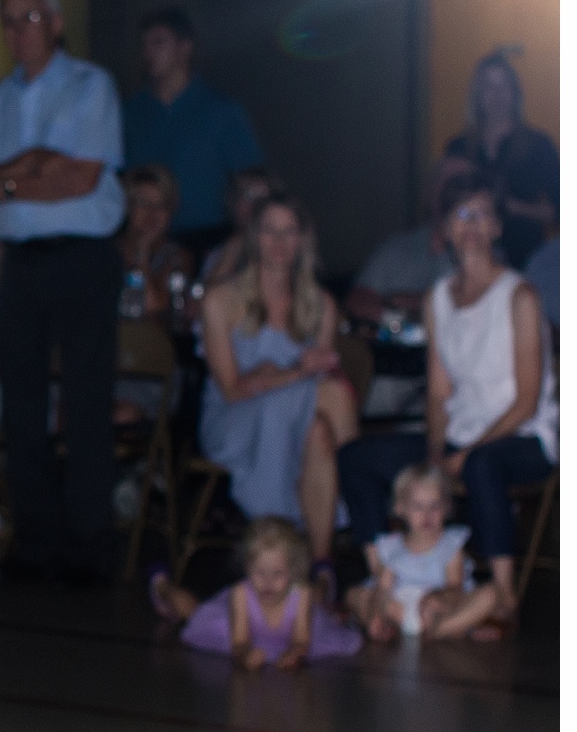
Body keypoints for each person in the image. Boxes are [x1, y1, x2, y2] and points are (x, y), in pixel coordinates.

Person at [337, 171, 557, 633]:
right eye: (461, 215)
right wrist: (438, 451)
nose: (471, 225)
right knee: (357, 457)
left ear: (497, 226)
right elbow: (438, 392)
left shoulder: (519, 296)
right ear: (447, 227)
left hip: (524, 436)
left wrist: (464, 454)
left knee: (482, 467)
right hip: (460, 435)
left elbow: (527, 399)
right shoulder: (438, 298)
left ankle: (503, 596)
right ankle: (385, 578)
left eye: (481, 215)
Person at [0, 0, 125, 585]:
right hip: (21, 262)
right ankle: (37, 536)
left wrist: (11, 177)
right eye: (8, 20)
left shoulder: (91, 86)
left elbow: (80, 179)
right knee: (21, 406)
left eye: (30, 17)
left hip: (84, 258)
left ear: (56, 22)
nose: (18, 30)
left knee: (85, 400)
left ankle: (90, 537)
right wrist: (32, 166)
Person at [197, 193, 358, 593]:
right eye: (270, 232)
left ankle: (320, 563)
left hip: (297, 415)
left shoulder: (320, 304)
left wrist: (278, 376)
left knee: (321, 427)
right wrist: (292, 374)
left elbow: (320, 373)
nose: (279, 243)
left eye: (289, 233)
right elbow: (234, 389)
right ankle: (359, 505)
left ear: (303, 239)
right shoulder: (221, 300)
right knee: (320, 398)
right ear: (255, 236)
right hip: (235, 420)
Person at [121, 6, 264, 260]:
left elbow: (251, 180)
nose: (148, 52)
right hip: (147, 240)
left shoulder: (220, 111)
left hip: (206, 239)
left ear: (184, 47)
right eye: (145, 44)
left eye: (159, 42)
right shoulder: (131, 113)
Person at [149, 516, 361, 668]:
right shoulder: (241, 593)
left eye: (277, 574)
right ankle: (162, 585)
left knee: (318, 606)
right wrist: (244, 654)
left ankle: (324, 576)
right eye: (259, 573)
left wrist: (295, 653)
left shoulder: (301, 593)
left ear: (293, 571)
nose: (267, 583)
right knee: (196, 613)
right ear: (247, 568)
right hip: (234, 625)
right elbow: (239, 642)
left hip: (295, 617)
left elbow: (301, 640)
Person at [344, 464, 502, 642]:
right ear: (400, 508)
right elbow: (383, 589)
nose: (427, 515)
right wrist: (376, 615)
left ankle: (443, 629)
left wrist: (439, 598)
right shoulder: (391, 547)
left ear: (447, 508)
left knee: (492, 593)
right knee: (355, 594)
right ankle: (387, 626)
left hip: (437, 609)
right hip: (399, 609)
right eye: (418, 507)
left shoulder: (450, 544)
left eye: (434, 506)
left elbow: (455, 587)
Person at [443, 49, 557, 268]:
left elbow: (558, 211)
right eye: (489, 86)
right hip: (467, 260)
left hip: (525, 259)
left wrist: (513, 206)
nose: (497, 95)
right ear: (477, 95)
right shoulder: (458, 148)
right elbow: (440, 207)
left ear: (515, 92)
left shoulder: (539, 146)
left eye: (504, 86)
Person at [344, 155, 474, 330]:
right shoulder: (398, 247)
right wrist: (400, 324)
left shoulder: (481, 255)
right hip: (398, 353)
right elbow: (356, 300)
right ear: (430, 192)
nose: (448, 194)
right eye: (443, 184)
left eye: (458, 185)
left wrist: (407, 301)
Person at [117, 163, 195, 323]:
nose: (152, 212)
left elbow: (153, 307)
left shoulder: (177, 257)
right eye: (143, 203)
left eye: (161, 205)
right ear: (127, 207)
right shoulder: (107, 251)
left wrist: (142, 253)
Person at [199, 166, 281, 289]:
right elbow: (205, 298)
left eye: (263, 198)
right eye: (248, 196)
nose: (255, 205)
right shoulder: (220, 252)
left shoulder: (288, 248)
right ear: (234, 202)